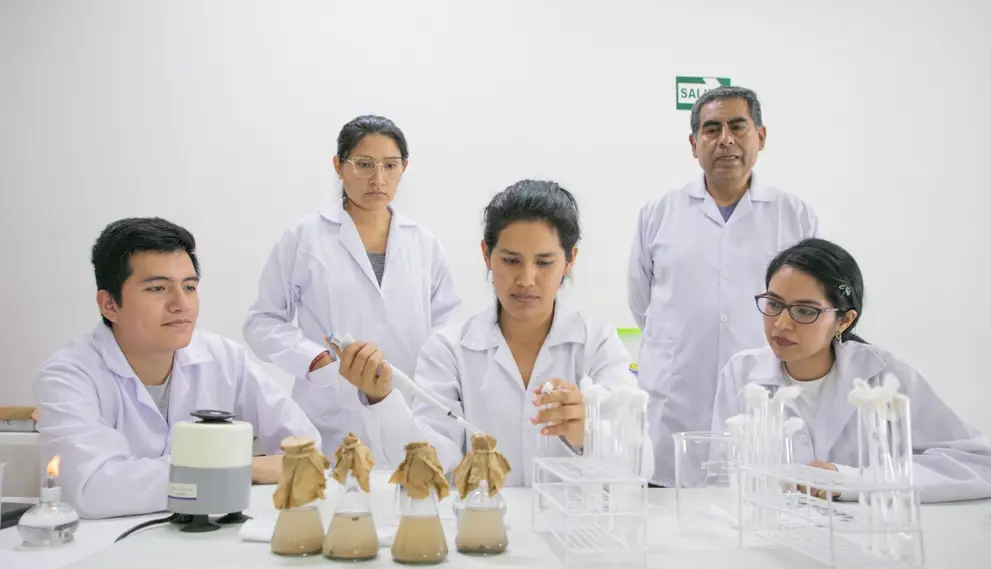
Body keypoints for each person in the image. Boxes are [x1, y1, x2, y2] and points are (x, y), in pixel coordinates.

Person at [333, 180, 654, 483]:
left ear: (570, 261)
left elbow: (641, 465)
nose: (527, 279)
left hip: (571, 530)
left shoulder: (597, 345)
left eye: (544, 262)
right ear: (487, 255)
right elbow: (432, 459)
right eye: (511, 260)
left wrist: (587, 432)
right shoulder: (449, 350)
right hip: (483, 529)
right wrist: (381, 400)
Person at [35, 218, 321, 519]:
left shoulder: (224, 359)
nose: (181, 304)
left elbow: (307, 454)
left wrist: (202, 475)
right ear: (109, 305)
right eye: (158, 288)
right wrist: (242, 469)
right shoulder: (68, 375)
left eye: (189, 287)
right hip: (105, 549)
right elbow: (90, 490)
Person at [628, 86, 820, 486]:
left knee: (751, 510)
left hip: (760, 403)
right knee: (667, 515)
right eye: (711, 129)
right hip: (673, 403)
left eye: (738, 126)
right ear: (694, 143)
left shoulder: (794, 216)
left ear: (760, 137)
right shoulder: (659, 213)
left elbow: (811, 309)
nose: (725, 140)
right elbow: (640, 301)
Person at [711, 238, 991, 503]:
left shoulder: (885, 378)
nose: (781, 324)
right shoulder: (740, 374)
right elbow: (722, 476)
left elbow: (980, 466)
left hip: (868, 543)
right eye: (774, 304)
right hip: (770, 540)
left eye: (805, 311)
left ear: (844, 321)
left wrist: (849, 480)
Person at [243, 115, 462, 457]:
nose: (378, 178)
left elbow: (449, 330)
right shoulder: (305, 238)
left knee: (409, 499)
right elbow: (262, 322)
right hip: (332, 418)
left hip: (409, 416)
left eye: (390, 165)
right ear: (338, 166)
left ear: (404, 168)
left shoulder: (424, 244)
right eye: (364, 164)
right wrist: (316, 360)